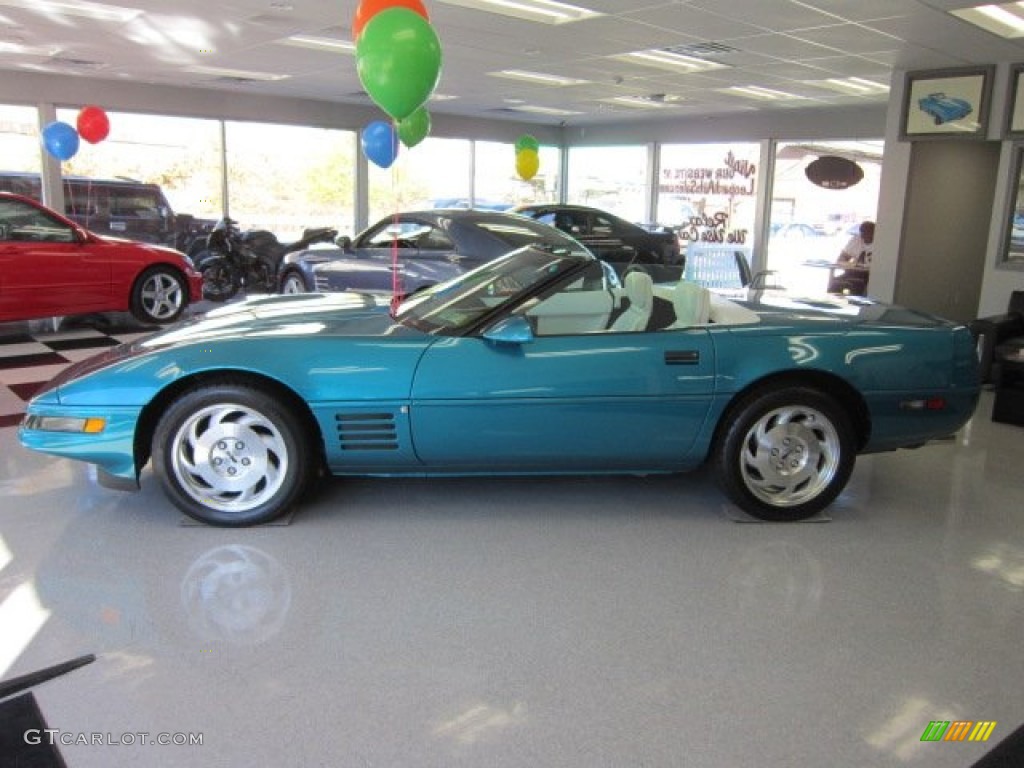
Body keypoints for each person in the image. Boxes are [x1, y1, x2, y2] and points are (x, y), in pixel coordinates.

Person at [828, 220, 874, 295]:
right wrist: (849, 265)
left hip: (869, 276)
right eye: (862, 232)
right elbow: (841, 258)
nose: (863, 236)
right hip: (852, 272)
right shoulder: (857, 239)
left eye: (867, 232)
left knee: (854, 284)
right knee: (836, 283)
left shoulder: (880, 243)